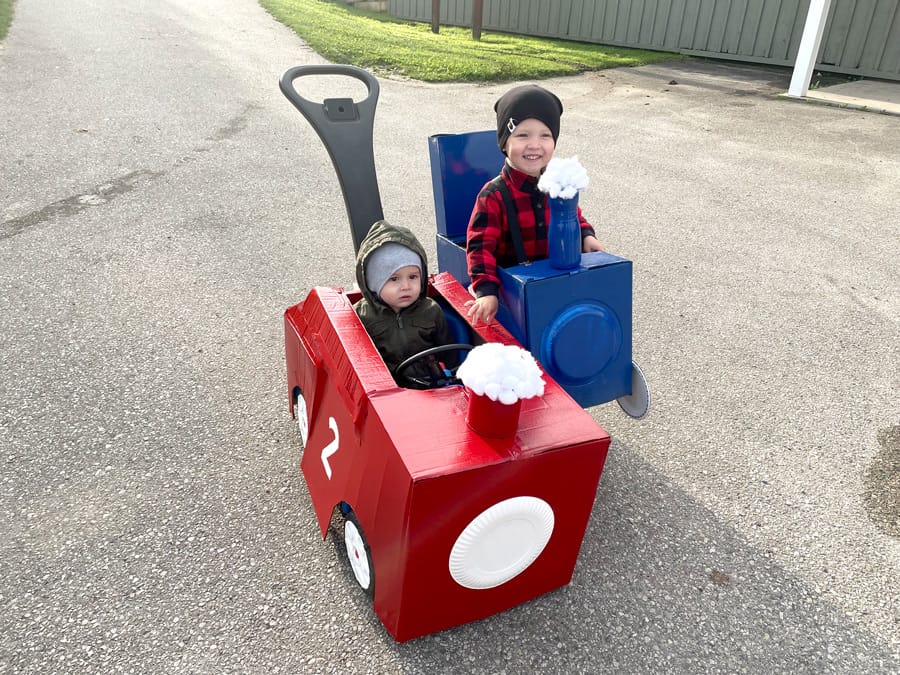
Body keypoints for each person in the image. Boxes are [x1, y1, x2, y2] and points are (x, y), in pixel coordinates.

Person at [465, 84, 605, 325]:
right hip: (514, 294)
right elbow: (480, 248)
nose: (534, 144)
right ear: (504, 143)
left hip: (555, 283)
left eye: (545, 135)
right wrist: (487, 290)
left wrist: (586, 235)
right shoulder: (493, 195)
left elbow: (574, 215)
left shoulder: (558, 183)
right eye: (523, 135)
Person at [354, 220, 457, 388]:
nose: (406, 286)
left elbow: (449, 352)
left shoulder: (431, 310)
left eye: (413, 277)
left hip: (429, 384)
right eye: (394, 279)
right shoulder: (361, 316)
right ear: (373, 283)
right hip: (387, 390)